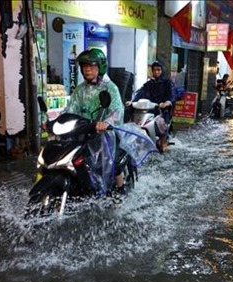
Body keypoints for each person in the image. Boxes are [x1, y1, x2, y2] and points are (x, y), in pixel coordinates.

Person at [61, 48, 126, 193]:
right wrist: (57, 121)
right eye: (84, 66)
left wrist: (106, 123)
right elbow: (71, 108)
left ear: (100, 67)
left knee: (113, 163)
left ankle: (120, 190)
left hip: (105, 134)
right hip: (84, 132)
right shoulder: (80, 89)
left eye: (91, 66)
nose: (87, 70)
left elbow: (117, 111)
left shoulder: (110, 88)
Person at [126, 60, 176, 151]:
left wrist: (167, 103)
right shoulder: (149, 84)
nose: (156, 72)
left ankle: (163, 143)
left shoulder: (168, 83)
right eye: (154, 70)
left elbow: (172, 95)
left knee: (160, 123)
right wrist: (132, 101)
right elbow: (140, 93)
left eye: (158, 70)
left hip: (162, 111)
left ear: (162, 71)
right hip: (149, 111)